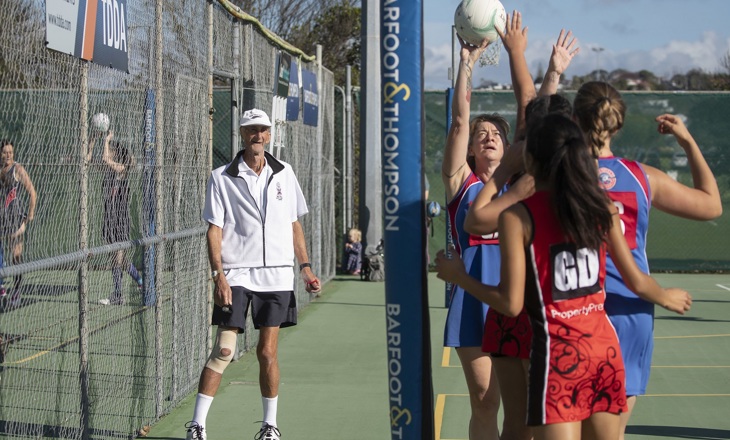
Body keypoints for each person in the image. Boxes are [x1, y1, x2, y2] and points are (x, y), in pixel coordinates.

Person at [435, 113, 692, 440]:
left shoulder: (520, 215)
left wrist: (460, 276)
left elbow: (510, 303)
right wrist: (665, 295)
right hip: (604, 352)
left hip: (560, 357)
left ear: (529, 157)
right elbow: (636, 279)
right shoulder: (600, 207)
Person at [572, 81, 722, 439]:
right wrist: (687, 142)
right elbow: (711, 204)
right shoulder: (643, 177)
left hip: (576, 310)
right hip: (631, 311)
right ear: (619, 125)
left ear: (576, 119)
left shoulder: (560, 174)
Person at [185, 108, 321, 440]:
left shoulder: (285, 173)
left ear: (269, 135)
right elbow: (214, 230)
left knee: (267, 352)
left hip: (276, 275)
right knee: (225, 351)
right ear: (242, 135)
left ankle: (269, 426)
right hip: (237, 273)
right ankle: (198, 425)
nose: (257, 135)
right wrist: (218, 275)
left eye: (262, 130)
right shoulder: (221, 176)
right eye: (250, 130)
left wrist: (305, 267)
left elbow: (294, 224)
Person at [441, 33, 509, 440]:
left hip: (517, 294)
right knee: (485, 399)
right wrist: (467, 63)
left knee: (524, 406)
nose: (488, 136)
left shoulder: (520, 184)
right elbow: (460, 121)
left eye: (496, 133)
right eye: (481, 134)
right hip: (473, 298)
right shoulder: (460, 184)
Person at [88, 131, 144, 305]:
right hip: (108, 219)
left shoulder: (121, 169)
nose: (107, 151)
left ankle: (118, 294)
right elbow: (88, 160)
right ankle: (140, 281)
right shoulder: (108, 170)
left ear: (117, 154)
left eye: (110, 150)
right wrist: (93, 140)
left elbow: (105, 160)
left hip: (120, 219)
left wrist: (106, 140)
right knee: (117, 259)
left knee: (118, 259)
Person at [0, 139, 37, 306]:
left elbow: (32, 193)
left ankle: (16, 290)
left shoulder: (18, 169)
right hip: (2, 219)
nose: (8, 155)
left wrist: (29, 215)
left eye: (10, 152)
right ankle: (2, 285)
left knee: (16, 257)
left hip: (15, 220)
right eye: (5, 152)